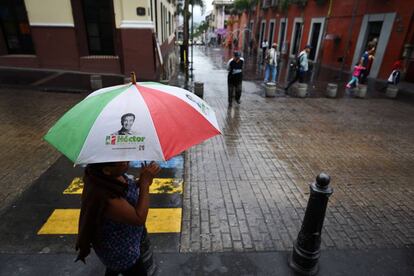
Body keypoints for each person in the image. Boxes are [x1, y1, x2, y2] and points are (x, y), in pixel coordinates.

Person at [76, 161, 161, 275]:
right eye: (122, 163)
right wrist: (145, 185)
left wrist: (140, 181)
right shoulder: (106, 197)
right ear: (106, 170)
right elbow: (138, 218)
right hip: (121, 251)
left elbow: (126, 190)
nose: (127, 162)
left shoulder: (109, 176)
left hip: (127, 242)